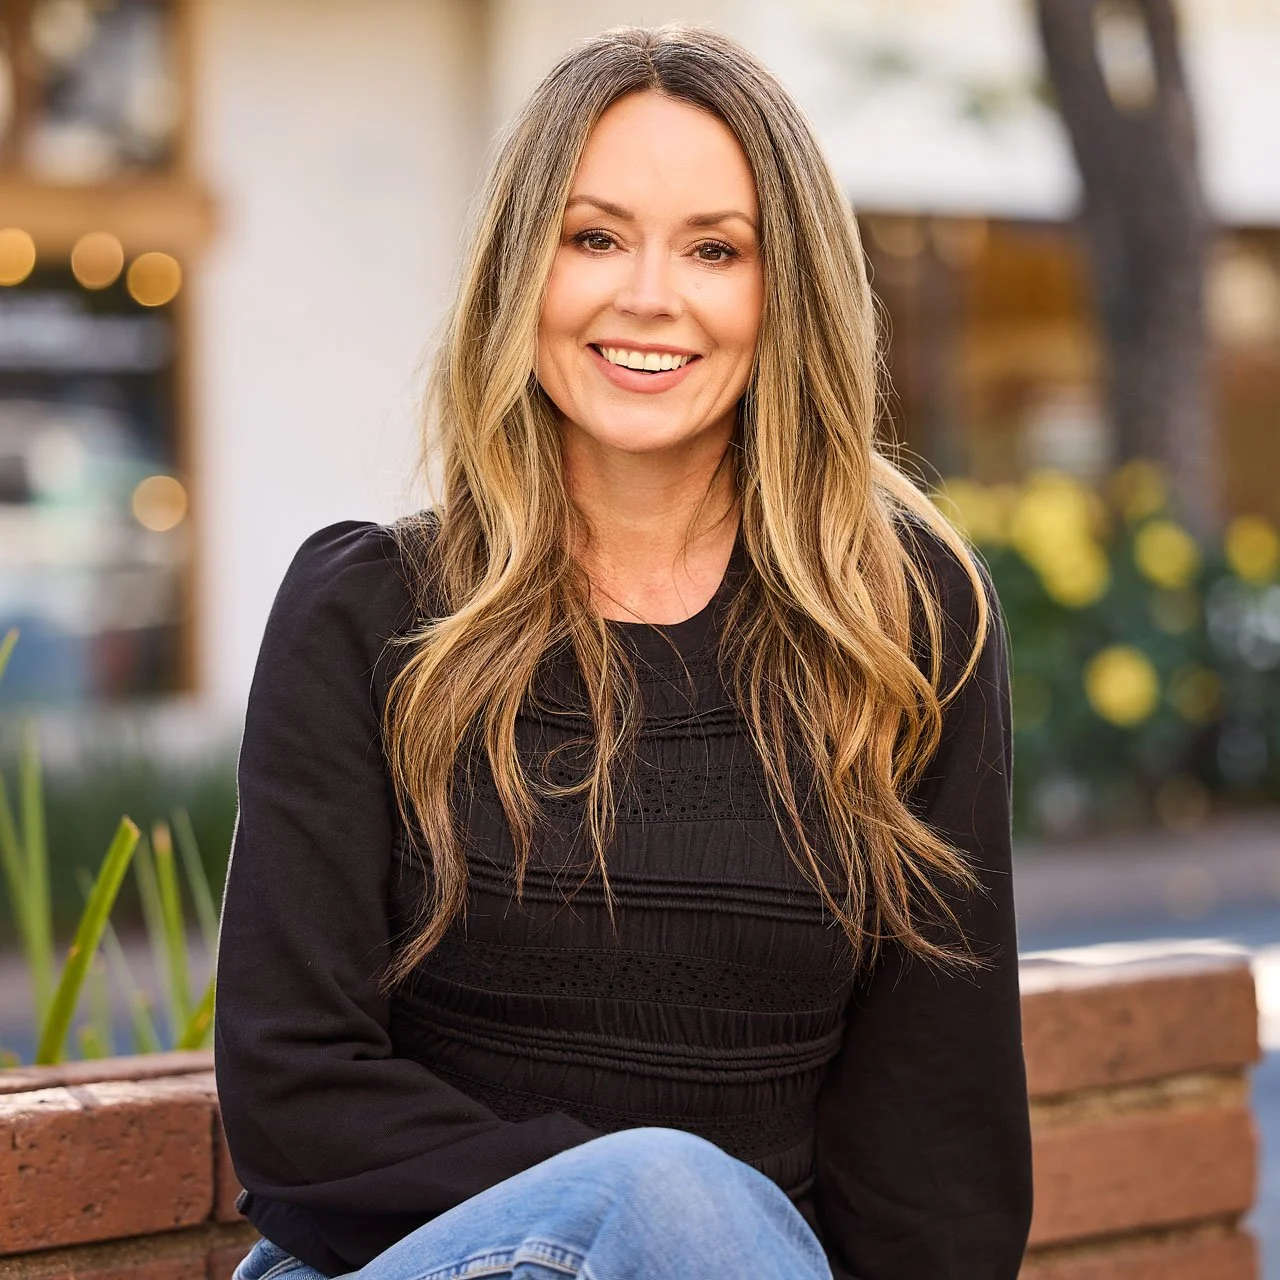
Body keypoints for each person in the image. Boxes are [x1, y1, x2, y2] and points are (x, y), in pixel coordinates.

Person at [214, 22, 1033, 1280]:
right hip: (412, 1263)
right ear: (520, 270)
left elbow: (939, 1141)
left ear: (786, 290)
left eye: (715, 248)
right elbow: (295, 1095)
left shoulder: (905, 628)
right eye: (593, 237)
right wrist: (641, 1213)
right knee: (666, 1196)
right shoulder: (371, 613)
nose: (647, 294)